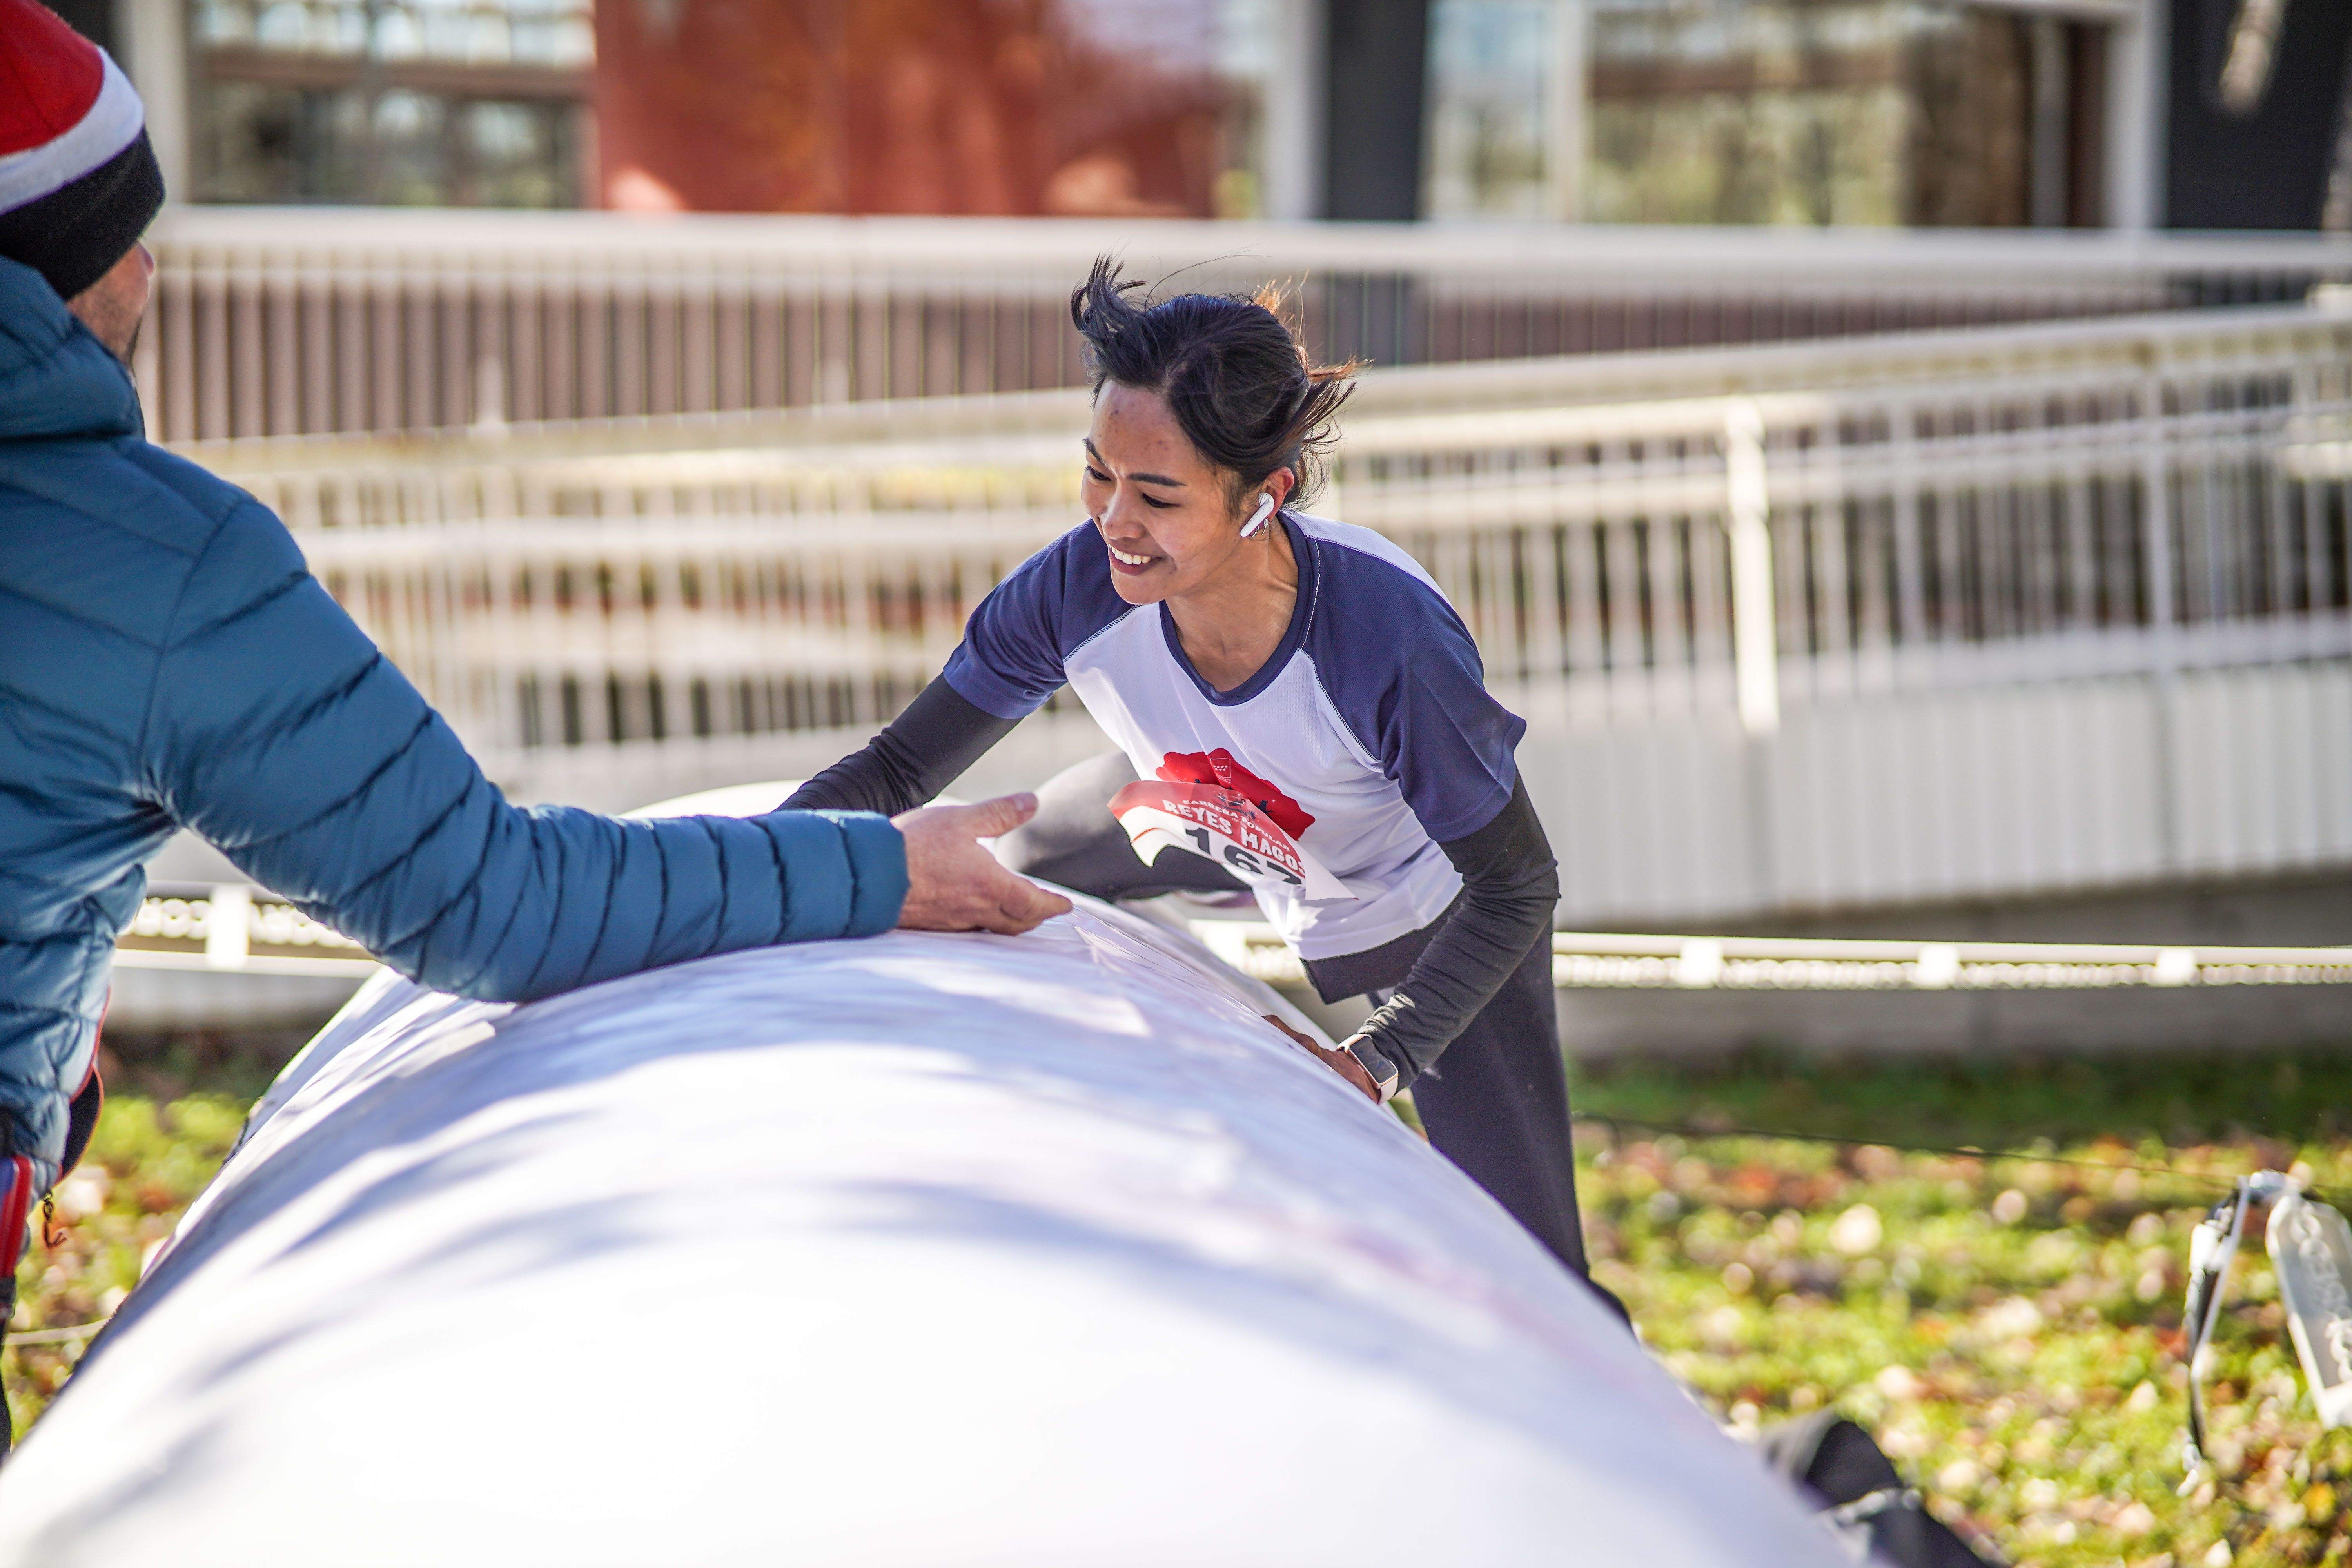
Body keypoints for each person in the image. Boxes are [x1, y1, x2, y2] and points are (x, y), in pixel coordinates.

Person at [0, 0, 1065, 1446]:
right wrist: (886, 871)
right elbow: (498, 905)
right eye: (135, 230)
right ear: (90, 270)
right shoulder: (159, 570)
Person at [789, 259, 1602, 1287]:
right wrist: (741, 874)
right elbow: (901, 764)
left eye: (1158, 494)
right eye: (1098, 473)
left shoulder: (1384, 640)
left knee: (1540, 1277)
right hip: (1201, 809)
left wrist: (1376, 1058)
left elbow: (1518, 883)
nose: (1114, 522)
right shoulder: (1079, 584)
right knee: (1011, 860)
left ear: (1268, 497)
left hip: (1421, 907)